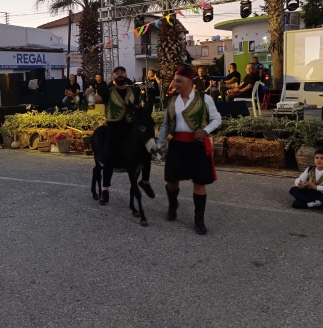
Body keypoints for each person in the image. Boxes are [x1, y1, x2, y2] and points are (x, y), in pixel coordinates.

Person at [156, 65, 222, 235]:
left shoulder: (205, 99)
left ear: (188, 81)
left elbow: (217, 119)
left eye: (178, 81)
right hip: (177, 145)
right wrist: (158, 144)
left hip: (197, 146)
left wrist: (205, 130)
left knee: (199, 183)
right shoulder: (172, 101)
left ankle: (199, 220)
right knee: (171, 181)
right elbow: (165, 126)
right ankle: (172, 205)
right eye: (174, 80)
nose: (175, 84)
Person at [85, 66, 154, 204]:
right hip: (113, 128)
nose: (120, 74)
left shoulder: (134, 91)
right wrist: (89, 95)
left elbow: (138, 108)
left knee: (148, 150)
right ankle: (105, 190)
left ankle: (145, 181)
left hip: (130, 128)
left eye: (122, 72)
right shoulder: (108, 92)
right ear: (114, 77)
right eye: (117, 73)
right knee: (109, 155)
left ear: (126, 74)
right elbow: (93, 104)